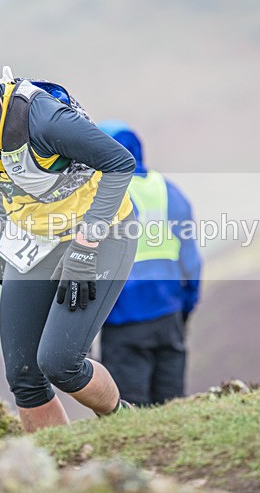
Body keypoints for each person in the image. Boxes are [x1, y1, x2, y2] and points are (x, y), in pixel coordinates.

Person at [0, 21, 139, 431]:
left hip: (102, 231)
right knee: (24, 374)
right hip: (35, 237)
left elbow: (120, 162)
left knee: (61, 363)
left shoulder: (42, 119)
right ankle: (57, 470)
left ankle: (127, 425)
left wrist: (84, 246)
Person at [97, 120, 202, 406]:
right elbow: (190, 261)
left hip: (123, 319)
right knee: (171, 408)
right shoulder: (169, 191)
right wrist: (185, 306)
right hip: (169, 315)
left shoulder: (102, 195)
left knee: (129, 413)